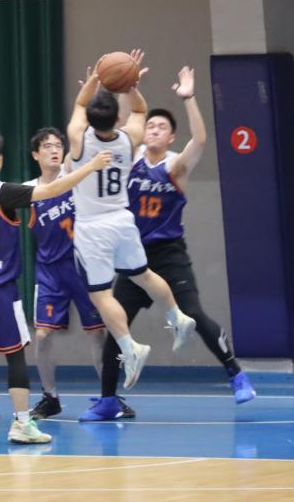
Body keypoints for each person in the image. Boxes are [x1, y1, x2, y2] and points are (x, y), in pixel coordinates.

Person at [86, 66, 253, 422]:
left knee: (194, 315)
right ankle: (108, 400)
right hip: (134, 256)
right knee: (116, 325)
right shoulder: (129, 160)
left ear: (172, 136)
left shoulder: (176, 166)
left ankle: (236, 375)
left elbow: (201, 140)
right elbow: (126, 121)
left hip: (169, 254)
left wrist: (188, 98)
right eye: (150, 126)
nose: (153, 130)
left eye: (161, 127)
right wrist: (127, 88)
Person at [0, 128, 112, 445]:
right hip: (0, 289)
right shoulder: (5, 192)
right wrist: (91, 166)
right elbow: (53, 188)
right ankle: (22, 424)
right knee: (15, 356)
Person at [66, 50, 196, 398]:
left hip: (93, 227)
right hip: (123, 219)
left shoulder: (79, 140)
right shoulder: (128, 140)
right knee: (144, 275)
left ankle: (130, 345)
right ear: (116, 119)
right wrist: (131, 84)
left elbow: (79, 105)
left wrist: (96, 78)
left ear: (90, 119)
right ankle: (176, 316)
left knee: (100, 293)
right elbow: (140, 111)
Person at [23, 127, 107, 420]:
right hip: (50, 272)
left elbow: (79, 134)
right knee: (43, 335)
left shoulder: (73, 177)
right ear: (35, 155)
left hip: (82, 266)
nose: (54, 150)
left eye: (58, 145)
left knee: (97, 333)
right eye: (47, 146)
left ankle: (110, 397)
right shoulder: (28, 191)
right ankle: (50, 397)